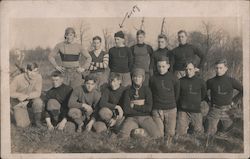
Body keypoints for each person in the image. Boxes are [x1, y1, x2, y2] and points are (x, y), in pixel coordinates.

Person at [119, 68, 161, 139]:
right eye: (135, 77)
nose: (137, 79)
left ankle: (142, 134)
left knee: (157, 135)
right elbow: (126, 110)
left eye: (139, 77)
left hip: (145, 118)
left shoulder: (147, 90)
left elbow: (148, 108)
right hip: (131, 118)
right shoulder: (128, 91)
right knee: (123, 136)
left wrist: (134, 105)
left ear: (143, 78)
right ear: (132, 78)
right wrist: (141, 105)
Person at [206, 59, 243, 136]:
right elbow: (202, 92)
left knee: (228, 133)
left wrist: (234, 101)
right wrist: (207, 101)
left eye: (221, 68)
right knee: (209, 133)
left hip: (227, 109)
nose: (218, 70)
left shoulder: (231, 81)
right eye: (217, 68)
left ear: (226, 68)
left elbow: (243, 90)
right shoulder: (210, 81)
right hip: (214, 109)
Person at [150, 56, 180, 144]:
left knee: (170, 134)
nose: (161, 69)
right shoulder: (153, 79)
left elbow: (177, 94)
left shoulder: (174, 78)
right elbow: (151, 93)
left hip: (170, 109)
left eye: (163, 66)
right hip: (157, 110)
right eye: (159, 66)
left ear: (168, 66)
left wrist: (172, 105)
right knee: (158, 135)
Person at [176, 61, 206, 137]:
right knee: (180, 134)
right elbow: (177, 96)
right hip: (183, 111)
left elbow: (203, 95)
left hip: (196, 111)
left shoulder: (201, 81)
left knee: (198, 134)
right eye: (186, 69)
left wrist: (196, 101)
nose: (188, 71)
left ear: (195, 69)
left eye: (190, 69)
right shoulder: (180, 81)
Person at [10, 63, 43, 127]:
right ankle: (16, 112)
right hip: (18, 101)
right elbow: (10, 92)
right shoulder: (18, 78)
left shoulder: (39, 77)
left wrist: (26, 97)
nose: (33, 73)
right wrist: (19, 96)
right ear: (26, 70)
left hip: (29, 99)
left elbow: (38, 92)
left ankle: (37, 121)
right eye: (30, 71)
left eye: (35, 71)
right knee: (23, 125)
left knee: (38, 102)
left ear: (38, 71)